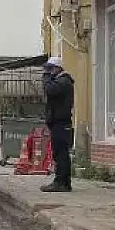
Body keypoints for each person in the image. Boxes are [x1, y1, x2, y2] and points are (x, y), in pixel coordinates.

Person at [41, 56, 75, 192]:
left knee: (60, 154)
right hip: (59, 122)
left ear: (57, 68)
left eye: (49, 69)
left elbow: (49, 90)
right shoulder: (62, 81)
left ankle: (60, 182)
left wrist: (46, 76)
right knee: (61, 153)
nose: (47, 72)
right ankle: (64, 183)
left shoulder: (63, 81)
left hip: (61, 122)